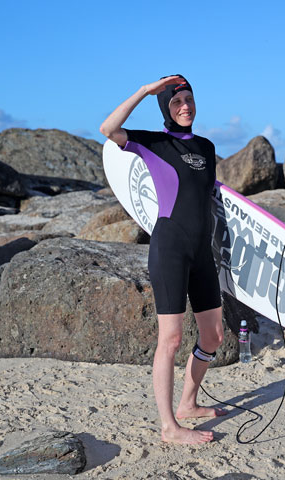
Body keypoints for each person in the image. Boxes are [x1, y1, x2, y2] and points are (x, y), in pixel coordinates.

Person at [99, 75, 227, 445]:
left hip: (202, 251)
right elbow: (108, 128)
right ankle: (169, 426)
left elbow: (209, 201)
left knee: (213, 335)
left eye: (188, 98)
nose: (185, 105)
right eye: (176, 101)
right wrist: (144, 92)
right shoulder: (153, 142)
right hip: (170, 249)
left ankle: (188, 403)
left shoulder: (206, 147)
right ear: (164, 108)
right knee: (169, 340)